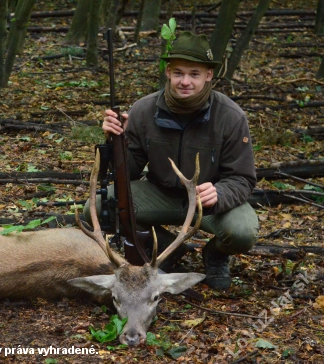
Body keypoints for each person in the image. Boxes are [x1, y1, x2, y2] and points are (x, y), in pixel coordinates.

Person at [91, 31, 258, 290]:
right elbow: (129, 171)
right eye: (178, 73)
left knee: (243, 232)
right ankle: (168, 248)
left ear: (209, 75)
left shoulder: (231, 117)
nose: (185, 81)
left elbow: (243, 178)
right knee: (103, 203)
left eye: (194, 74)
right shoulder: (144, 110)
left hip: (207, 201)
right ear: (168, 72)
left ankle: (215, 255)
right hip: (161, 192)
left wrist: (220, 193)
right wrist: (116, 141)